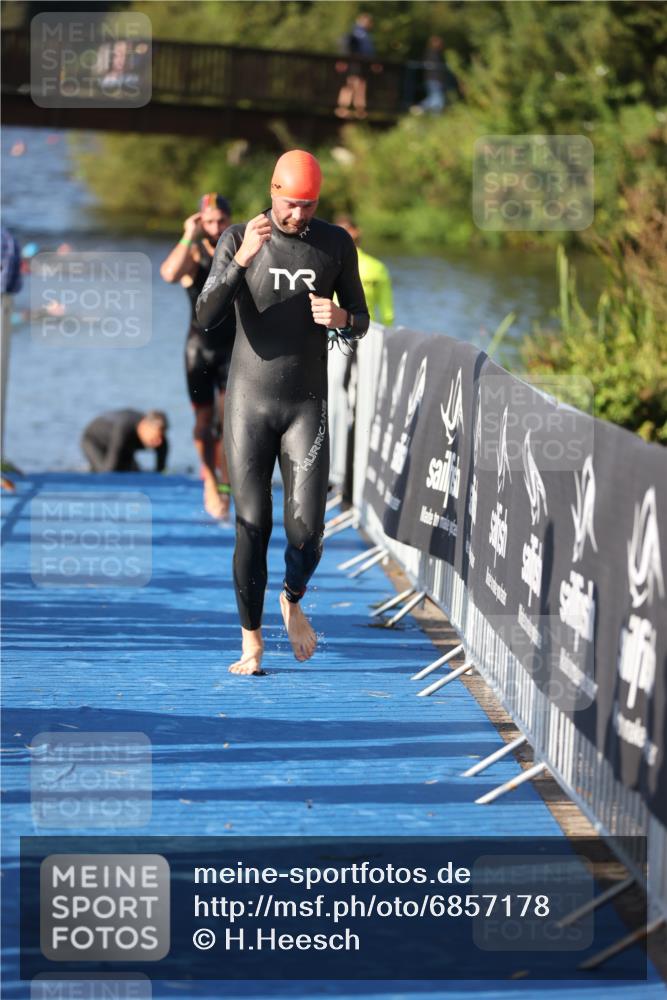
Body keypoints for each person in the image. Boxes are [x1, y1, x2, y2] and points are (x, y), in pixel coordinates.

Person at [196, 149, 369, 676]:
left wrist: (341, 316)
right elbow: (206, 315)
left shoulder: (334, 243)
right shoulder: (239, 238)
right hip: (248, 406)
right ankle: (251, 642)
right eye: (291, 204)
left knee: (308, 532)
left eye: (308, 205)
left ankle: (291, 600)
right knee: (251, 525)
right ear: (273, 191)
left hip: (305, 406)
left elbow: (361, 320)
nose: (298, 215)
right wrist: (242, 260)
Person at [160, 194, 236, 519]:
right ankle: (210, 481)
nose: (216, 227)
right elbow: (168, 274)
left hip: (233, 348)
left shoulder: (239, 249)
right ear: (200, 222)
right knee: (204, 423)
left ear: (230, 221)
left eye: (221, 221)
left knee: (229, 421)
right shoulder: (192, 252)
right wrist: (188, 235)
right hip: (199, 349)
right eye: (209, 221)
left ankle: (227, 485)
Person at [333, 215, 394, 326]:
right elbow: (387, 315)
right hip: (367, 329)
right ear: (357, 232)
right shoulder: (377, 267)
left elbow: (387, 314)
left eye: (345, 230)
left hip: (333, 330)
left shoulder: (326, 264)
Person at [81, 409, 168, 473]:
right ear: (144, 427)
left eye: (161, 437)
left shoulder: (161, 440)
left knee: (134, 471)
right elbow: (110, 470)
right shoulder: (124, 428)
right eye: (154, 437)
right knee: (105, 471)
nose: (159, 442)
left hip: (123, 445)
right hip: (93, 440)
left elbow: (161, 472)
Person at [335, 12, 376, 119]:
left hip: (360, 63)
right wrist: (343, 60)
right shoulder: (358, 34)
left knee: (356, 84)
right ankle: (350, 109)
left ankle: (353, 109)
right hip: (355, 63)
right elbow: (348, 48)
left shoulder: (363, 34)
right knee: (354, 84)